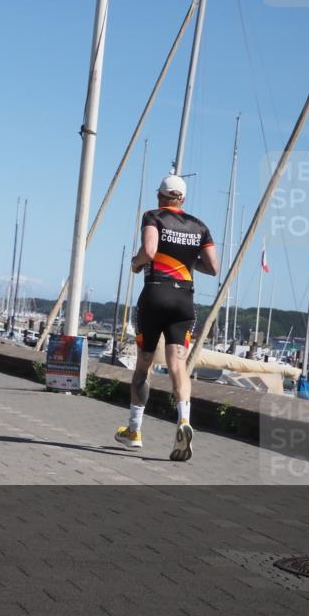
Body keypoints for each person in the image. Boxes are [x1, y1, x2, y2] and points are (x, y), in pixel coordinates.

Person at [114, 174, 218, 462]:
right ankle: (184, 420)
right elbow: (212, 267)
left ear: (160, 196)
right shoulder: (200, 227)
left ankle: (134, 431)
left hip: (155, 296)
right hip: (184, 300)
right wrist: (188, 260)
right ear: (182, 199)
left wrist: (136, 264)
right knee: (178, 365)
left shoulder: (153, 216)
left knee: (143, 365)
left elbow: (148, 251)